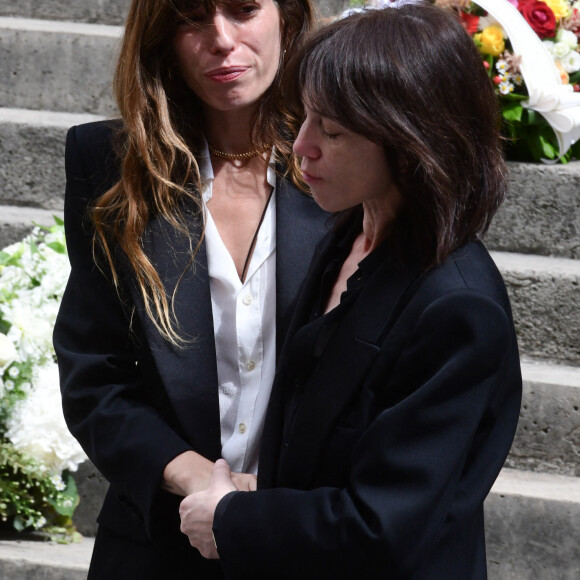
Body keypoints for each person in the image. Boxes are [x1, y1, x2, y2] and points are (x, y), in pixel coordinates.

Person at [179, 4, 523, 578]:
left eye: (332, 131)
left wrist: (232, 519)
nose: (302, 147)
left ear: (414, 143)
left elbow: (383, 524)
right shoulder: (346, 234)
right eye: (306, 119)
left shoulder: (457, 307)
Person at [52, 0, 328, 578]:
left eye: (244, 9)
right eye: (190, 18)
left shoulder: (345, 161)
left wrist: (272, 501)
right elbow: (94, 373)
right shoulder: (110, 166)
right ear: (161, 38)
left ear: (289, 16)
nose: (222, 40)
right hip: (161, 540)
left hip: (314, 533)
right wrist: (198, 479)